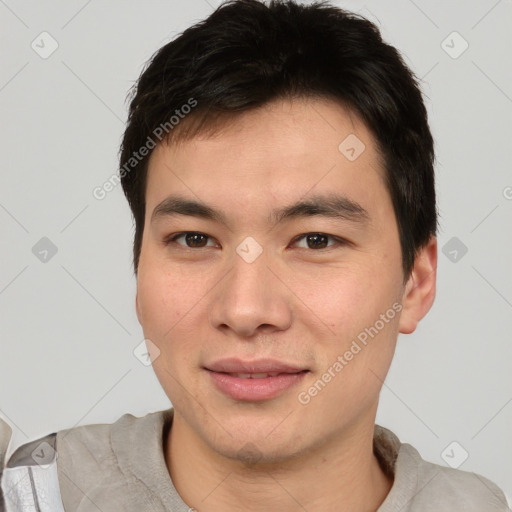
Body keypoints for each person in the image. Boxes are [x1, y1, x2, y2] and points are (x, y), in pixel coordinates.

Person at [0, 1, 509, 510]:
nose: (245, 311)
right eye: (194, 239)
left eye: (316, 240)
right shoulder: (37, 496)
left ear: (415, 282)